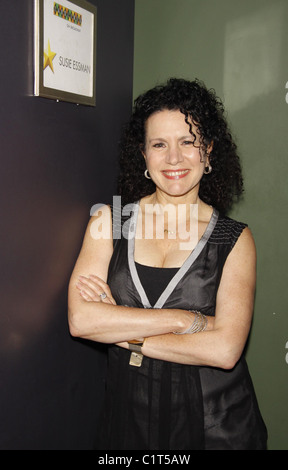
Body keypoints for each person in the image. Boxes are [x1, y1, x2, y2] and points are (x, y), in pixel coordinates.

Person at [68, 78, 267, 450]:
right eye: (159, 144)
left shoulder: (234, 239)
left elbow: (224, 351)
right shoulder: (107, 221)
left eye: (188, 142)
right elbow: (81, 321)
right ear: (143, 155)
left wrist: (122, 328)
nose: (173, 158)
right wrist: (184, 321)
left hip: (216, 426)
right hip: (130, 419)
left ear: (208, 151)